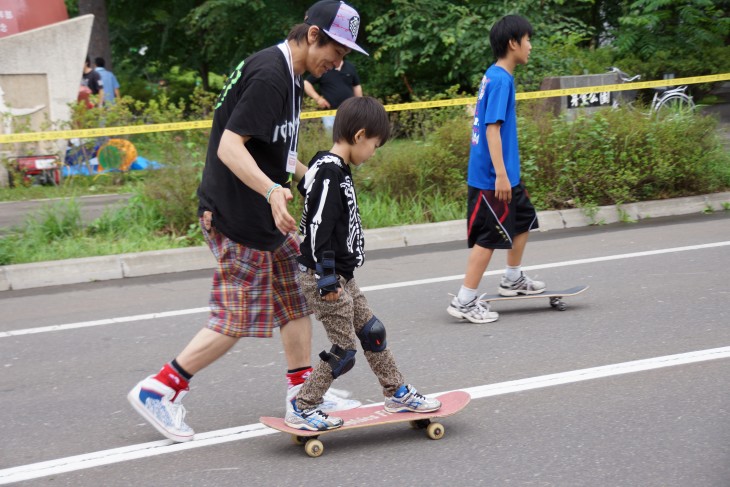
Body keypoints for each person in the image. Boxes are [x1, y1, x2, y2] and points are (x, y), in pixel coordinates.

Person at [127, 0, 369, 443]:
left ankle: (302, 393)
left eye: (346, 55)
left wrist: (316, 177)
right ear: (313, 35)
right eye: (337, 50)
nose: (339, 62)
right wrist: (273, 190)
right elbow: (229, 148)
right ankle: (159, 389)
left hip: (265, 217)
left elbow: (280, 153)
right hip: (236, 214)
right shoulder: (270, 74)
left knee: (297, 299)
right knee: (236, 318)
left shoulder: (292, 78)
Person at [285, 96, 441, 431]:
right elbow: (317, 227)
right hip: (325, 278)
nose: (373, 152)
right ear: (359, 136)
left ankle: (396, 392)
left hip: (342, 275)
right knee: (343, 350)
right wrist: (327, 279)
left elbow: (309, 192)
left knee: (372, 332)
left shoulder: (329, 167)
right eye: (374, 144)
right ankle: (303, 406)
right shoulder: (328, 171)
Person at [446, 15, 545, 325]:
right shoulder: (501, 79)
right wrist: (501, 174)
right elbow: (491, 130)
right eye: (527, 40)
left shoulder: (495, 75)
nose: (530, 46)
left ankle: (512, 279)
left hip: (504, 174)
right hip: (493, 177)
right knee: (490, 237)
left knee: (523, 219)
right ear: (513, 43)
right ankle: (465, 300)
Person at [304, 58, 362, 132]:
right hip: (329, 113)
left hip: (349, 111)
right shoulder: (324, 67)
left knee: (350, 136)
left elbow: (356, 86)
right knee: (332, 138)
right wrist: (318, 99)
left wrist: (360, 104)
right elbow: (306, 83)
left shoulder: (350, 67)